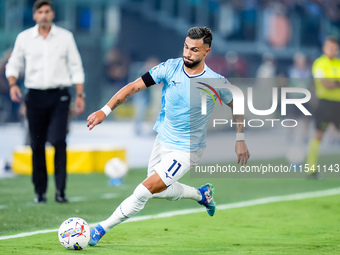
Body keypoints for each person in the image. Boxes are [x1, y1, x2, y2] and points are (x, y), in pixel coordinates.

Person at [86, 26, 250, 246]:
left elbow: (236, 104)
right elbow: (134, 86)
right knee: (158, 192)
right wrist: (104, 110)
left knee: (144, 190)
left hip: (187, 149)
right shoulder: (170, 68)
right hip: (162, 139)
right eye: (185, 47)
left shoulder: (216, 81)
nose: (187, 53)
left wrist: (240, 137)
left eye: (194, 50)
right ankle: (202, 195)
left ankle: (101, 228)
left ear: (206, 52)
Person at [6, 0, 85, 203]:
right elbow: (13, 64)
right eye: (40, 11)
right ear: (34, 15)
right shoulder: (24, 38)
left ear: (52, 14)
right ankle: (40, 192)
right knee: (37, 144)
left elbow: (76, 66)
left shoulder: (65, 37)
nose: (43, 15)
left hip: (59, 96)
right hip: (34, 96)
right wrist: (13, 84)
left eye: (47, 11)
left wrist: (79, 95)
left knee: (59, 141)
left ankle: (60, 191)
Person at [306, 36, 340, 179]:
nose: (332, 50)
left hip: (338, 104)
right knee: (319, 135)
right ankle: (311, 168)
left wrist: (335, 83)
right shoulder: (319, 64)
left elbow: (331, 83)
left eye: (334, 47)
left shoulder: (338, 63)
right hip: (325, 103)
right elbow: (325, 84)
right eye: (329, 47)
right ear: (324, 48)